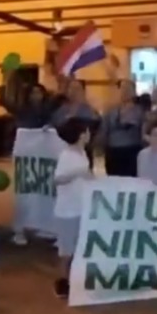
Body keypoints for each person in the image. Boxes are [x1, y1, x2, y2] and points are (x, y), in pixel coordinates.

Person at [52, 117, 95, 299]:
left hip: (81, 207)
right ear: (80, 134)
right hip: (68, 210)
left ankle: (74, 279)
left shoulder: (82, 153)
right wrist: (78, 173)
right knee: (66, 250)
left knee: (78, 246)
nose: (89, 134)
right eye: (86, 131)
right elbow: (58, 179)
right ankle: (62, 281)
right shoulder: (67, 155)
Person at [101, 79, 144, 177]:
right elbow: (104, 130)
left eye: (128, 89)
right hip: (113, 151)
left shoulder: (140, 110)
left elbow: (143, 130)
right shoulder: (110, 110)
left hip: (132, 151)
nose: (125, 91)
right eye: (122, 88)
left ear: (134, 91)